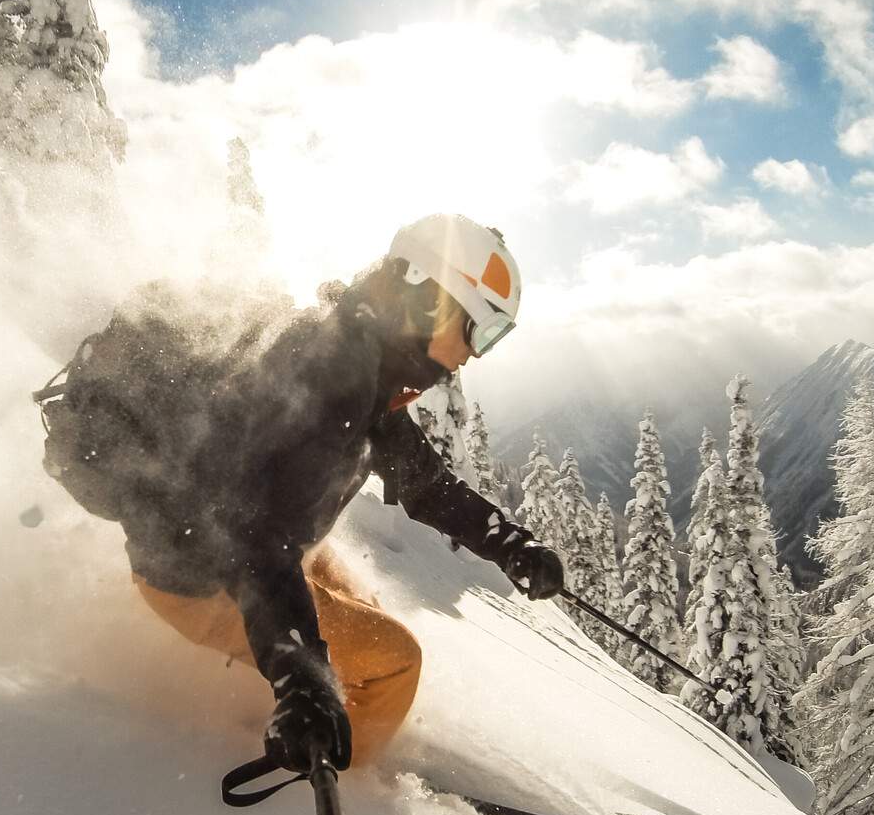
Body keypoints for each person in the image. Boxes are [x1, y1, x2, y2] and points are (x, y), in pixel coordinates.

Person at [122, 214, 566, 776]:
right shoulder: (338, 381)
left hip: (240, 545)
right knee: (395, 664)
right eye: (480, 331)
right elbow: (251, 533)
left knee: (366, 615)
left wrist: (511, 546)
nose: (476, 354)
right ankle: (337, 778)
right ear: (431, 302)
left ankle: (330, 720)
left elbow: (425, 486)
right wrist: (301, 675)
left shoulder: (362, 358)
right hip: (203, 574)